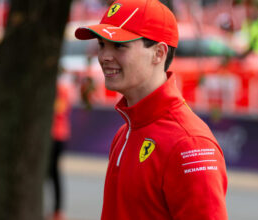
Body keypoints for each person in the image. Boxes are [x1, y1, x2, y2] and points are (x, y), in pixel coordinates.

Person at [74, 0, 228, 219]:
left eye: (119, 45)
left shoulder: (189, 144)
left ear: (158, 53)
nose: (104, 57)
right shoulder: (126, 131)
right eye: (101, 44)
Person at [48, 73, 72, 220]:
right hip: (53, 135)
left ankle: (57, 211)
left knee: (53, 173)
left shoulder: (60, 90)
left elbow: (60, 109)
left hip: (56, 136)